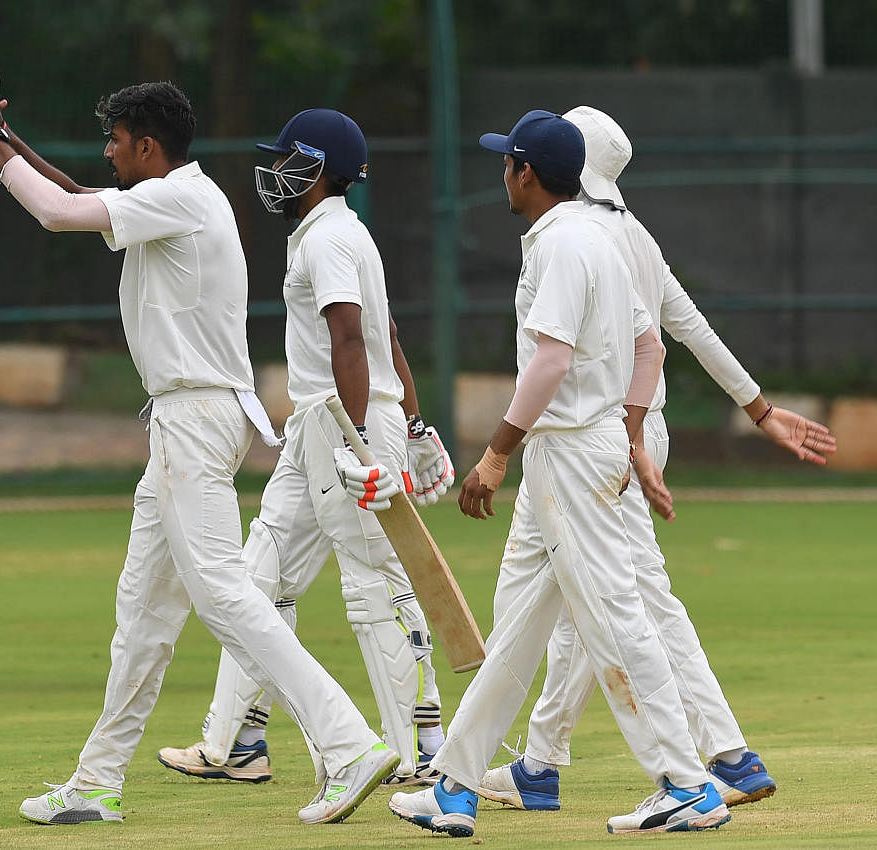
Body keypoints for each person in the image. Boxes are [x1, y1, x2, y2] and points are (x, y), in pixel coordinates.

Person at [0, 60, 398, 826]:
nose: (109, 153)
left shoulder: (184, 201)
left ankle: (349, 744)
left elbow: (58, 216)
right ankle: (96, 783)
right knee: (143, 614)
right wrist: (6, 139)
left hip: (196, 421)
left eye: (117, 141)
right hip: (183, 422)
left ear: (149, 150)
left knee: (225, 596)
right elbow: (77, 198)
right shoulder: (173, 197)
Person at [475, 105, 835, 813]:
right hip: (627, 434)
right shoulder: (631, 232)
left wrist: (512, 450)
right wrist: (757, 409)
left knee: (594, 606)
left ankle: (546, 765)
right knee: (623, 603)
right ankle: (720, 754)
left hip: (591, 439)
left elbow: (590, 351)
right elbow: (687, 328)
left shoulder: (572, 234)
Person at [388, 109, 732, 838]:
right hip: (588, 446)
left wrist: (496, 453)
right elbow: (650, 348)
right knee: (520, 629)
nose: (501, 176)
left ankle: (686, 785)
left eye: (505, 164)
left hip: (568, 454)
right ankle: (454, 784)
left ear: (527, 173)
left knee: (614, 622)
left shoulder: (561, 245)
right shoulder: (599, 238)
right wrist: (630, 432)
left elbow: (552, 359)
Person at [154, 108, 455, 788]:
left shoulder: (328, 240)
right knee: (260, 574)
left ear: (318, 170)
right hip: (321, 425)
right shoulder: (335, 234)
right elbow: (391, 337)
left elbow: (353, 340)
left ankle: (419, 750)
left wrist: (363, 441)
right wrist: (412, 420)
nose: (276, 173)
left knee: (374, 581)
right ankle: (237, 741)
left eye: (288, 160)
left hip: (343, 423)